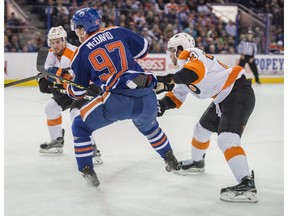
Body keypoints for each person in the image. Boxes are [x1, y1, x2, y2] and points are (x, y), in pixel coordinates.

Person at [47, 8, 181, 187]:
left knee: (80, 125)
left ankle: (87, 170)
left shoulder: (81, 53)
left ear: (81, 29)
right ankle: (169, 157)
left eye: (76, 29)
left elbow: (78, 92)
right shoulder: (116, 30)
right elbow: (144, 50)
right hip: (147, 96)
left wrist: (64, 84)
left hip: (118, 101)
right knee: (151, 128)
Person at [156, 32, 258, 203]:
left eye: (171, 50)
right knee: (201, 129)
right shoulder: (182, 69)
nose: (169, 54)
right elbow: (176, 96)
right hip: (224, 97)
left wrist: (165, 81)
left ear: (180, 48)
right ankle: (197, 163)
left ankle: (247, 183)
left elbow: (194, 72)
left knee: (227, 139)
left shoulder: (190, 54)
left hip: (237, 93)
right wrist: (160, 106)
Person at [37, 25, 103, 165]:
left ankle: (92, 148)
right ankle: (57, 141)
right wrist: (43, 79)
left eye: (58, 42)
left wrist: (55, 78)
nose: (55, 45)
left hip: (85, 86)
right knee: (50, 108)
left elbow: (73, 79)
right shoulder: (50, 53)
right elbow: (47, 71)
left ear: (64, 41)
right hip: (70, 87)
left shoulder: (73, 53)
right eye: (53, 42)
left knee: (76, 113)